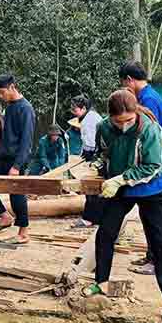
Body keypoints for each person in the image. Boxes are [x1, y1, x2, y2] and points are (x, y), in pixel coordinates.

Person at [82, 89, 162, 323]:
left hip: (152, 189)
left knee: (160, 244)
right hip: (121, 188)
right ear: (110, 117)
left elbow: (154, 165)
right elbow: (104, 153)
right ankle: (100, 282)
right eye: (119, 121)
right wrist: (99, 168)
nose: (124, 125)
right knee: (105, 234)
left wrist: (121, 179)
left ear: (136, 113)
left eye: (129, 120)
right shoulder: (104, 127)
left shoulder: (149, 129)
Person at [119, 62, 162, 273]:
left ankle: (156, 261)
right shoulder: (150, 96)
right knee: (146, 216)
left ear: (130, 80)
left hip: (153, 167)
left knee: (154, 220)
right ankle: (151, 256)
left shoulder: (147, 99)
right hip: (152, 165)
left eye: (124, 83)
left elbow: (148, 136)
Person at [0, 74, 36, 243]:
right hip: (3, 155)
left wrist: (17, 165)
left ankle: (23, 231)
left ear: (12, 87)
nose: (0, 96)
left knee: (16, 193)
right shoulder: (10, 107)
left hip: (17, 158)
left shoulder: (25, 108)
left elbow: (26, 141)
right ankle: (4, 215)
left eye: (1, 92)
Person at [69, 95, 105, 228]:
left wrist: (87, 157)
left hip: (96, 155)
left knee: (91, 187)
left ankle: (89, 218)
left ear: (83, 108)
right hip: (96, 154)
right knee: (95, 189)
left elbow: (90, 143)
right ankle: (96, 217)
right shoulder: (91, 117)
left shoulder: (88, 120)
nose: (73, 112)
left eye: (75, 109)